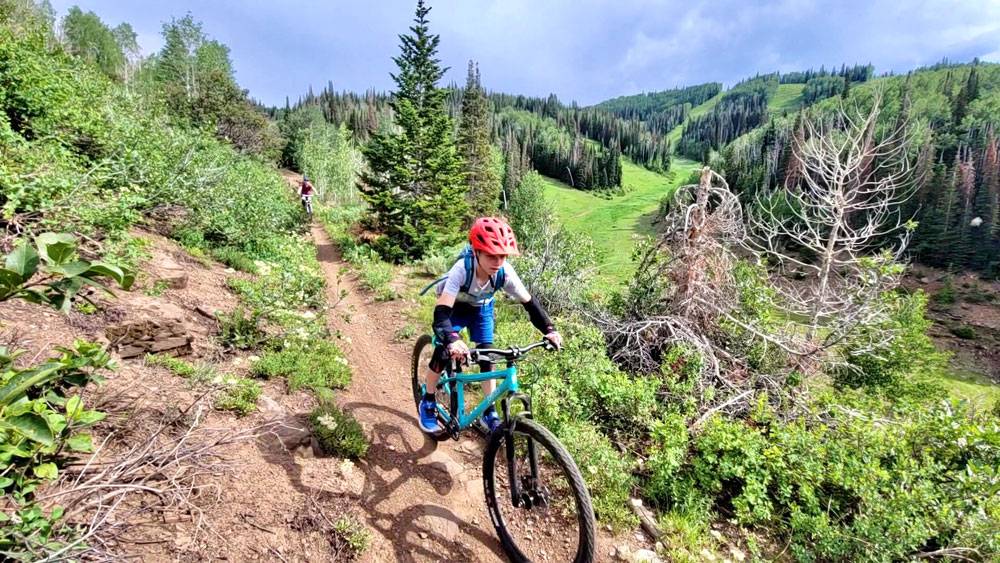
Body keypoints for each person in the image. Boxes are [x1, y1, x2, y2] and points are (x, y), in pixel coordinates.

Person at [420, 217, 562, 434]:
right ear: (477, 251)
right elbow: (441, 315)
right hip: (453, 307)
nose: (497, 262)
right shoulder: (462, 269)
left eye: (502, 256)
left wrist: (550, 330)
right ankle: (428, 399)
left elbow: (530, 304)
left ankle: (489, 412)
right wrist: (453, 340)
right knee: (443, 352)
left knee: (487, 356)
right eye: (491, 255)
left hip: (482, 307)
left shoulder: (505, 273)